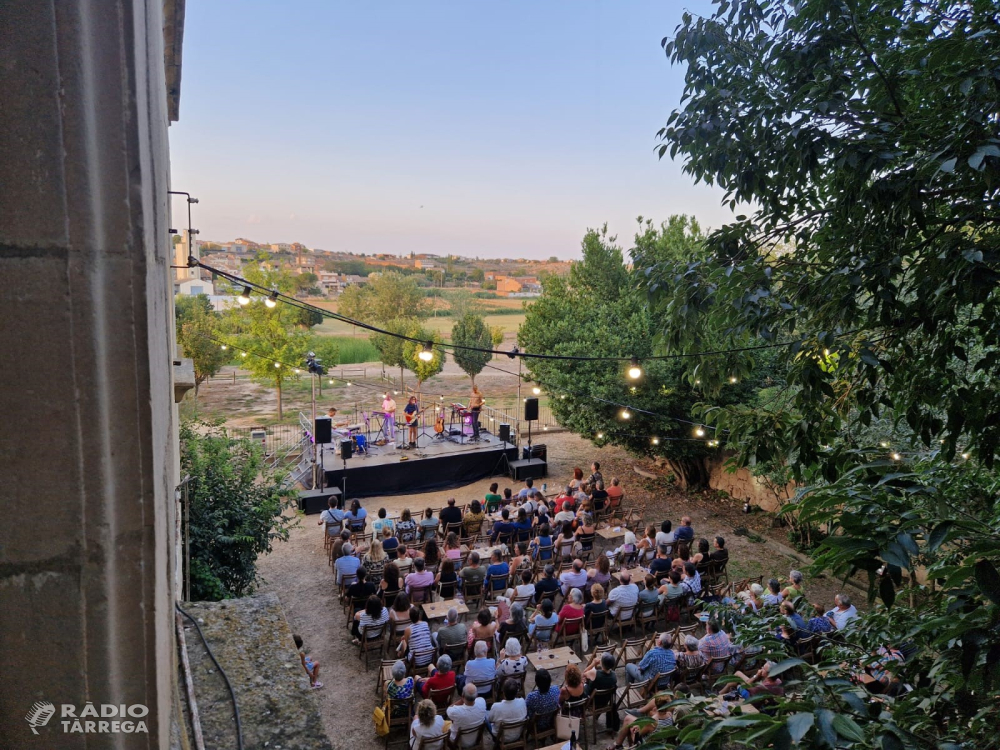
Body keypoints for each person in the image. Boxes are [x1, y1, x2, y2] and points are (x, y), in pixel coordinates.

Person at [582, 651, 620, 729]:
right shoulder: (614, 676)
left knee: (583, 683)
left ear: (601, 663)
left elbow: (583, 674)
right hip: (605, 702)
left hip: (592, 702)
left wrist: (593, 663)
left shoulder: (595, 673)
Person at [487, 678, 527, 742]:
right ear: (517, 692)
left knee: (486, 715)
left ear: (503, 693)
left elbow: (490, 720)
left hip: (501, 738)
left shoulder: (496, 706)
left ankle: (495, 742)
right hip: (518, 735)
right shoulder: (522, 702)